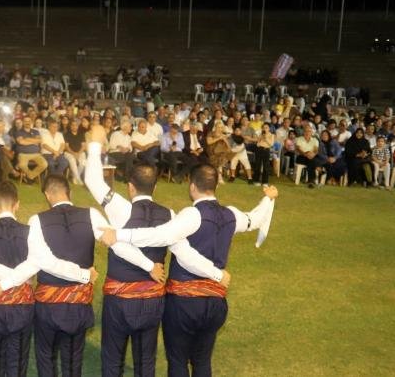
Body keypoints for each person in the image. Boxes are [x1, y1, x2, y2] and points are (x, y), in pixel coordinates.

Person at [104, 165, 278, 377]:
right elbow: (254, 219)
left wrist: (120, 235)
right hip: (215, 303)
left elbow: (160, 235)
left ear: (193, 186)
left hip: (184, 304)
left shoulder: (192, 215)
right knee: (202, 360)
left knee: (177, 361)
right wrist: (268, 199)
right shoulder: (231, 214)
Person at [85, 125, 229, 377]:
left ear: (130, 187)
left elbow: (92, 180)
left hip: (119, 300)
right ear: (155, 187)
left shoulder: (119, 207)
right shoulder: (169, 215)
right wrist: (216, 274)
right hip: (152, 301)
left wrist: (95, 143)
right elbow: (184, 254)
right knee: (146, 362)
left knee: (112, 361)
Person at [27, 174, 108, 377]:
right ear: (68, 191)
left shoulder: (36, 221)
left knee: (46, 357)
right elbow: (116, 241)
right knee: (73, 359)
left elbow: (41, 262)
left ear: (47, 194)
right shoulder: (91, 214)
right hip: (78, 304)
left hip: (48, 306)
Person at [0, 181, 38, 377]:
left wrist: (1, 284)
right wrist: (15, 278)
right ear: (17, 204)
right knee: (18, 362)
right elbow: (36, 264)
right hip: (22, 306)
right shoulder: (30, 232)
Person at [14, 116, 48, 184]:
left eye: (29, 121)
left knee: (44, 164)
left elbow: (40, 140)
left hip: (36, 154)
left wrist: (26, 139)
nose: (27, 123)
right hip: (23, 154)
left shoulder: (35, 131)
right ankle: (31, 176)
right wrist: (34, 141)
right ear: (23, 123)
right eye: (26, 121)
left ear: (31, 122)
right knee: (22, 165)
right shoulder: (18, 132)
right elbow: (21, 142)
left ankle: (29, 176)